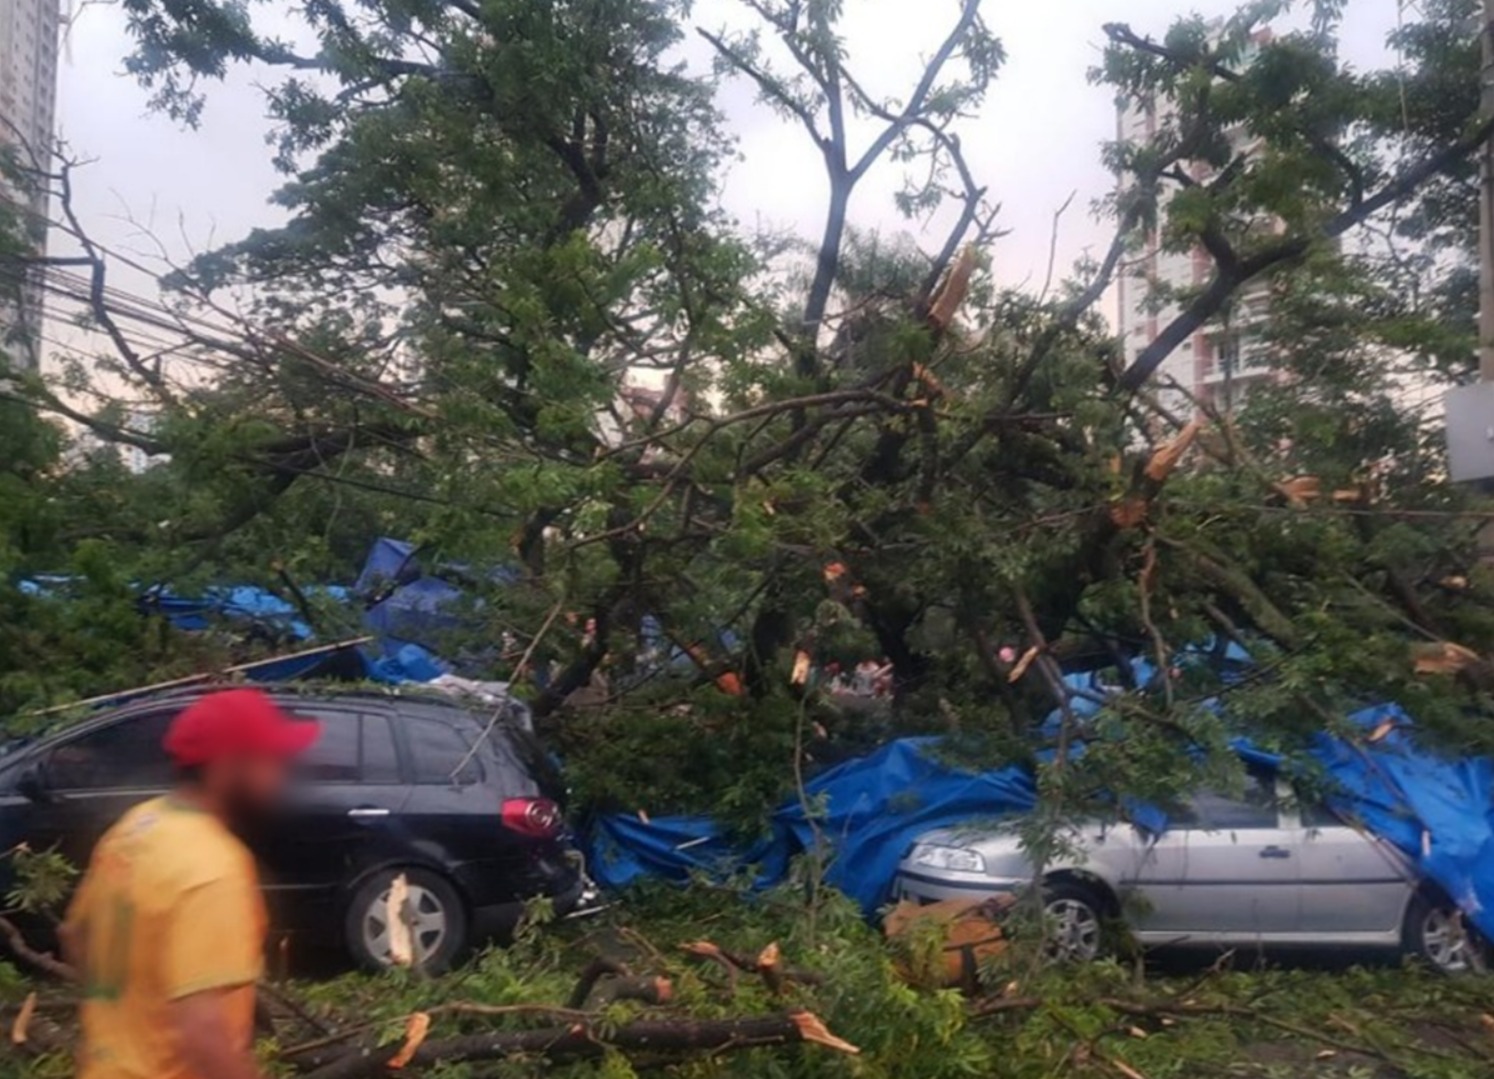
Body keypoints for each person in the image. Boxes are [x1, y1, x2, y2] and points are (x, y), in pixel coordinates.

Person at [60, 688, 319, 1079]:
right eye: (273, 761)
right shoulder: (214, 868)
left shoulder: (136, 827)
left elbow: (75, 936)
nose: (280, 777)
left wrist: (126, 1024)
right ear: (228, 766)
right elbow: (203, 1033)